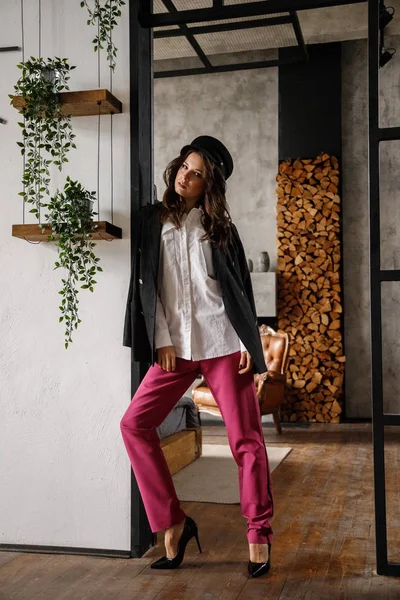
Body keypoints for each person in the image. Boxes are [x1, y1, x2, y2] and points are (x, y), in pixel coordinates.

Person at [120, 135, 274, 578]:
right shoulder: (153, 221)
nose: (186, 176)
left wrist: (249, 342)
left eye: (198, 173)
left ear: (210, 184)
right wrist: (162, 338)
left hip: (224, 344)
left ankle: (259, 534)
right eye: (185, 166)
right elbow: (148, 286)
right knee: (134, 424)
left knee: (246, 441)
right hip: (176, 349)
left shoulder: (220, 228)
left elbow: (240, 289)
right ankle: (172, 521)